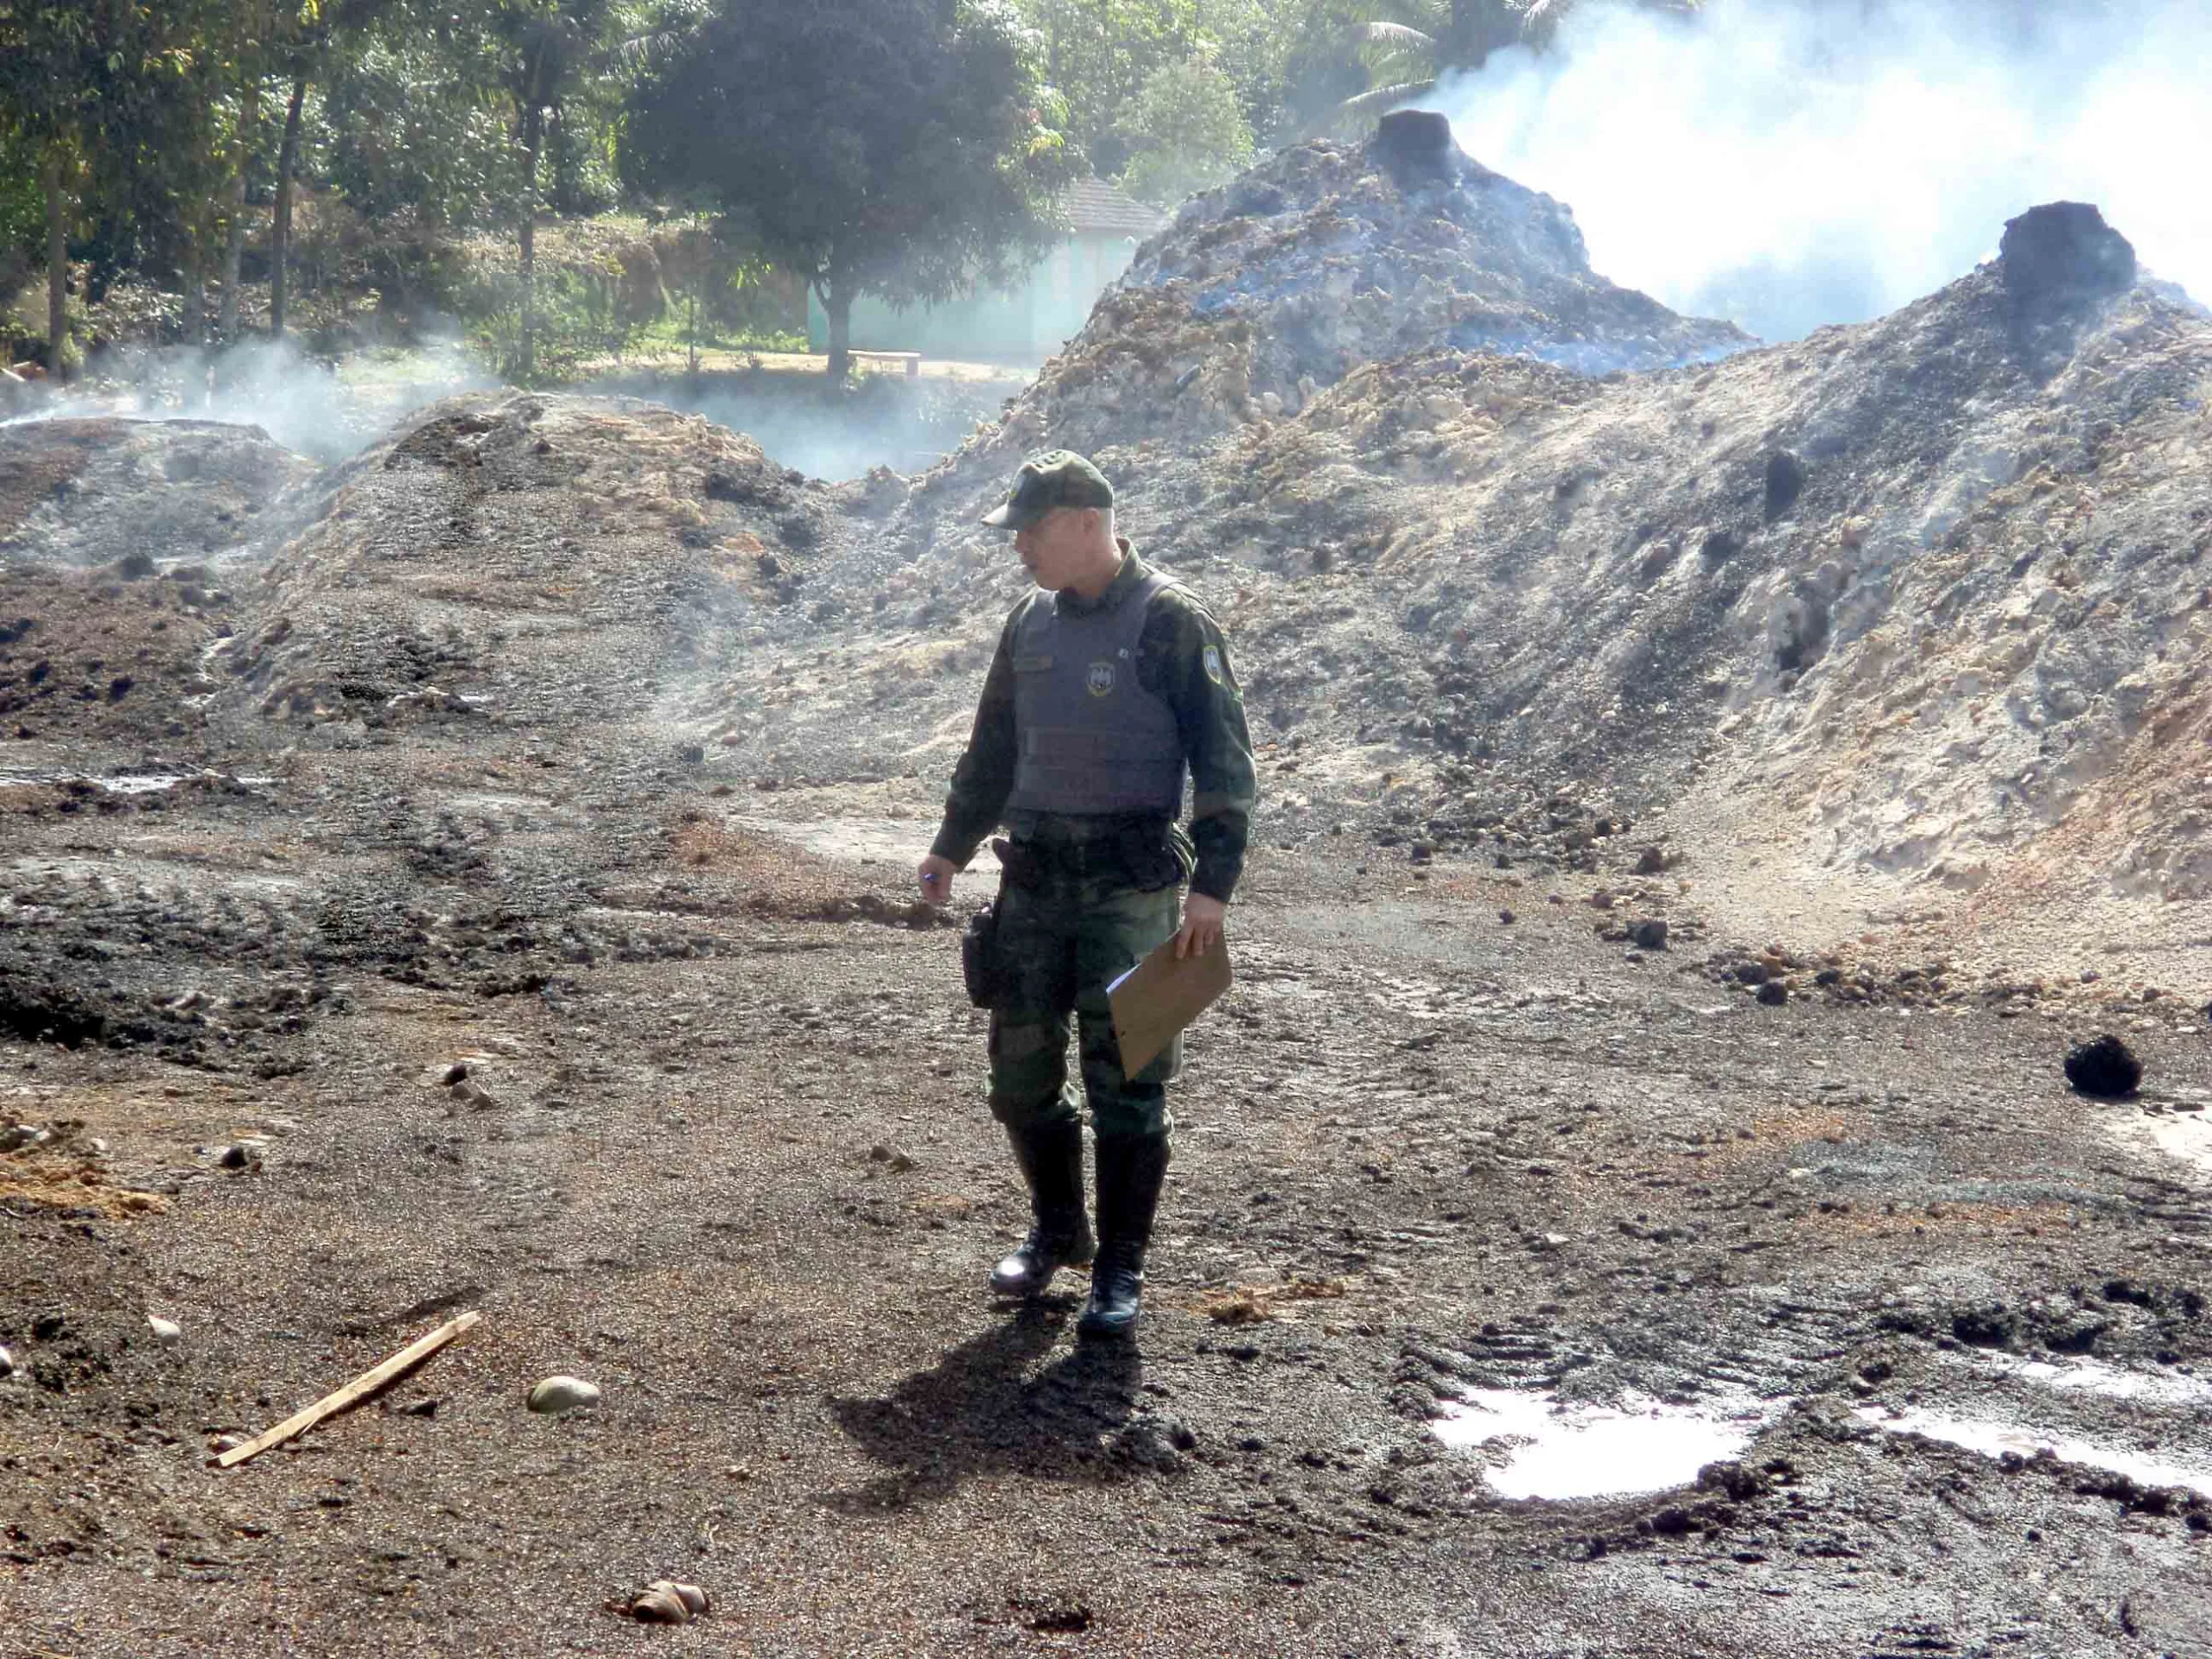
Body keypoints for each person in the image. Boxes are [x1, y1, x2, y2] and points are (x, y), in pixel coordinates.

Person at [917, 451, 1255, 1339]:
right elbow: (991, 751)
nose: (1020, 547)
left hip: (1130, 894)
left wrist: (1212, 889)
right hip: (1031, 888)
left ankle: (1120, 1266)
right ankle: (1058, 1231)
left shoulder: (1173, 622)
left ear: (1078, 522)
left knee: (1128, 1085)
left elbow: (1224, 765)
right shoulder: (1027, 624)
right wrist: (951, 846)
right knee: (1018, 1079)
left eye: (1029, 530)